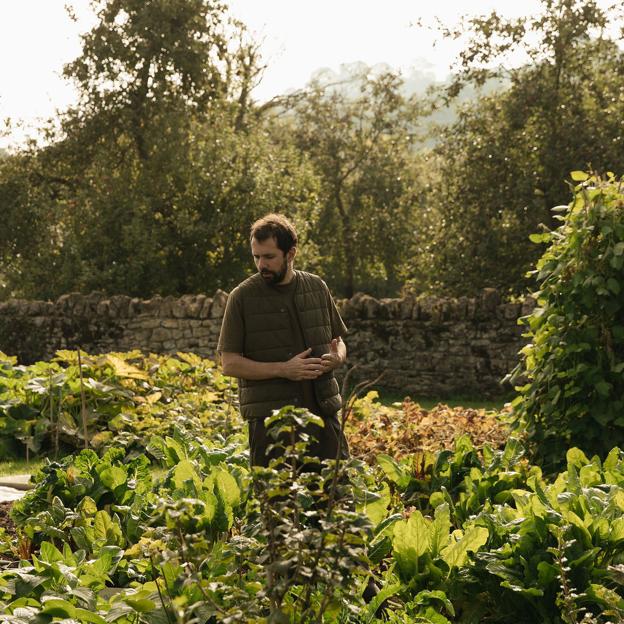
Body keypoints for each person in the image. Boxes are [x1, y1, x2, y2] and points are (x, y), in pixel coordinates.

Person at [217, 213, 349, 468]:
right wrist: (283, 369)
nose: (261, 265)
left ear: (291, 253)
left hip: (322, 417)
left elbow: (338, 340)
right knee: (276, 504)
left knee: (337, 499)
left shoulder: (317, 287)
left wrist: (337, 357)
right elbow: (229, 364)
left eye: (269, 257)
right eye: (256, 257)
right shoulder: (241, 298)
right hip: (271, 426)